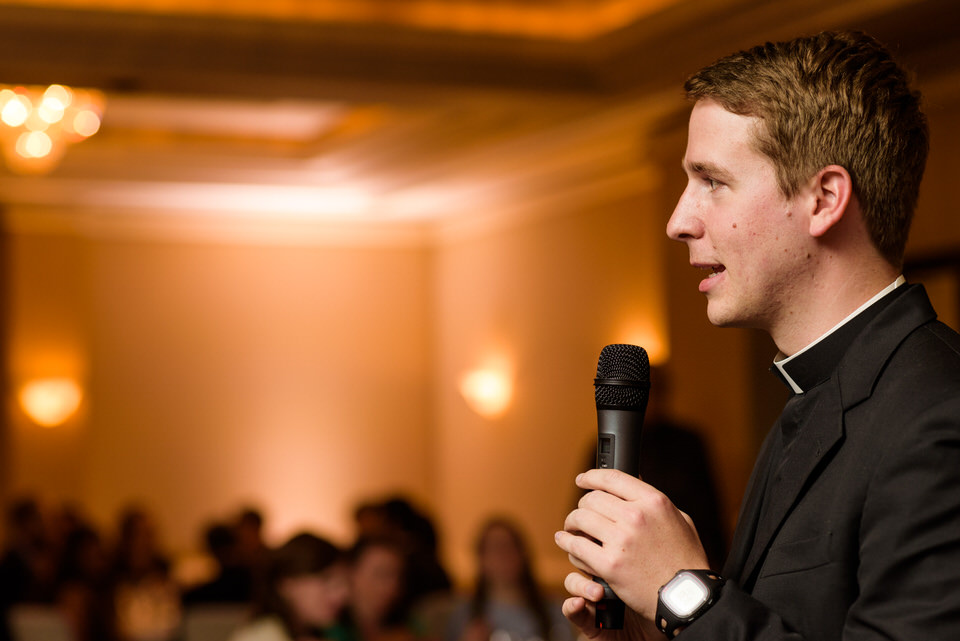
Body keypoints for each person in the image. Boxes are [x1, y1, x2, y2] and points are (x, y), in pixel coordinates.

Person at [554, 30, 960, 640]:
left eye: (712, 181)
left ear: (824, 199)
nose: (678, 221)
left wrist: (683, 591)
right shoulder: (809, 402)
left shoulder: (938, 414)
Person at [447, 517, 573, 641]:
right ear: (481, 559)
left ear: (522, 554)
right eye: (495, 548)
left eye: (509, 546)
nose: (503, 555)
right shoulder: (464, 615)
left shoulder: (554, 610)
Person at [230, 532, 350, 641]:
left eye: (344, 583)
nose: (342, 594)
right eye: (327, 580)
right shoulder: (260, 636)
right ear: (287, 583)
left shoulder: (327, 632)